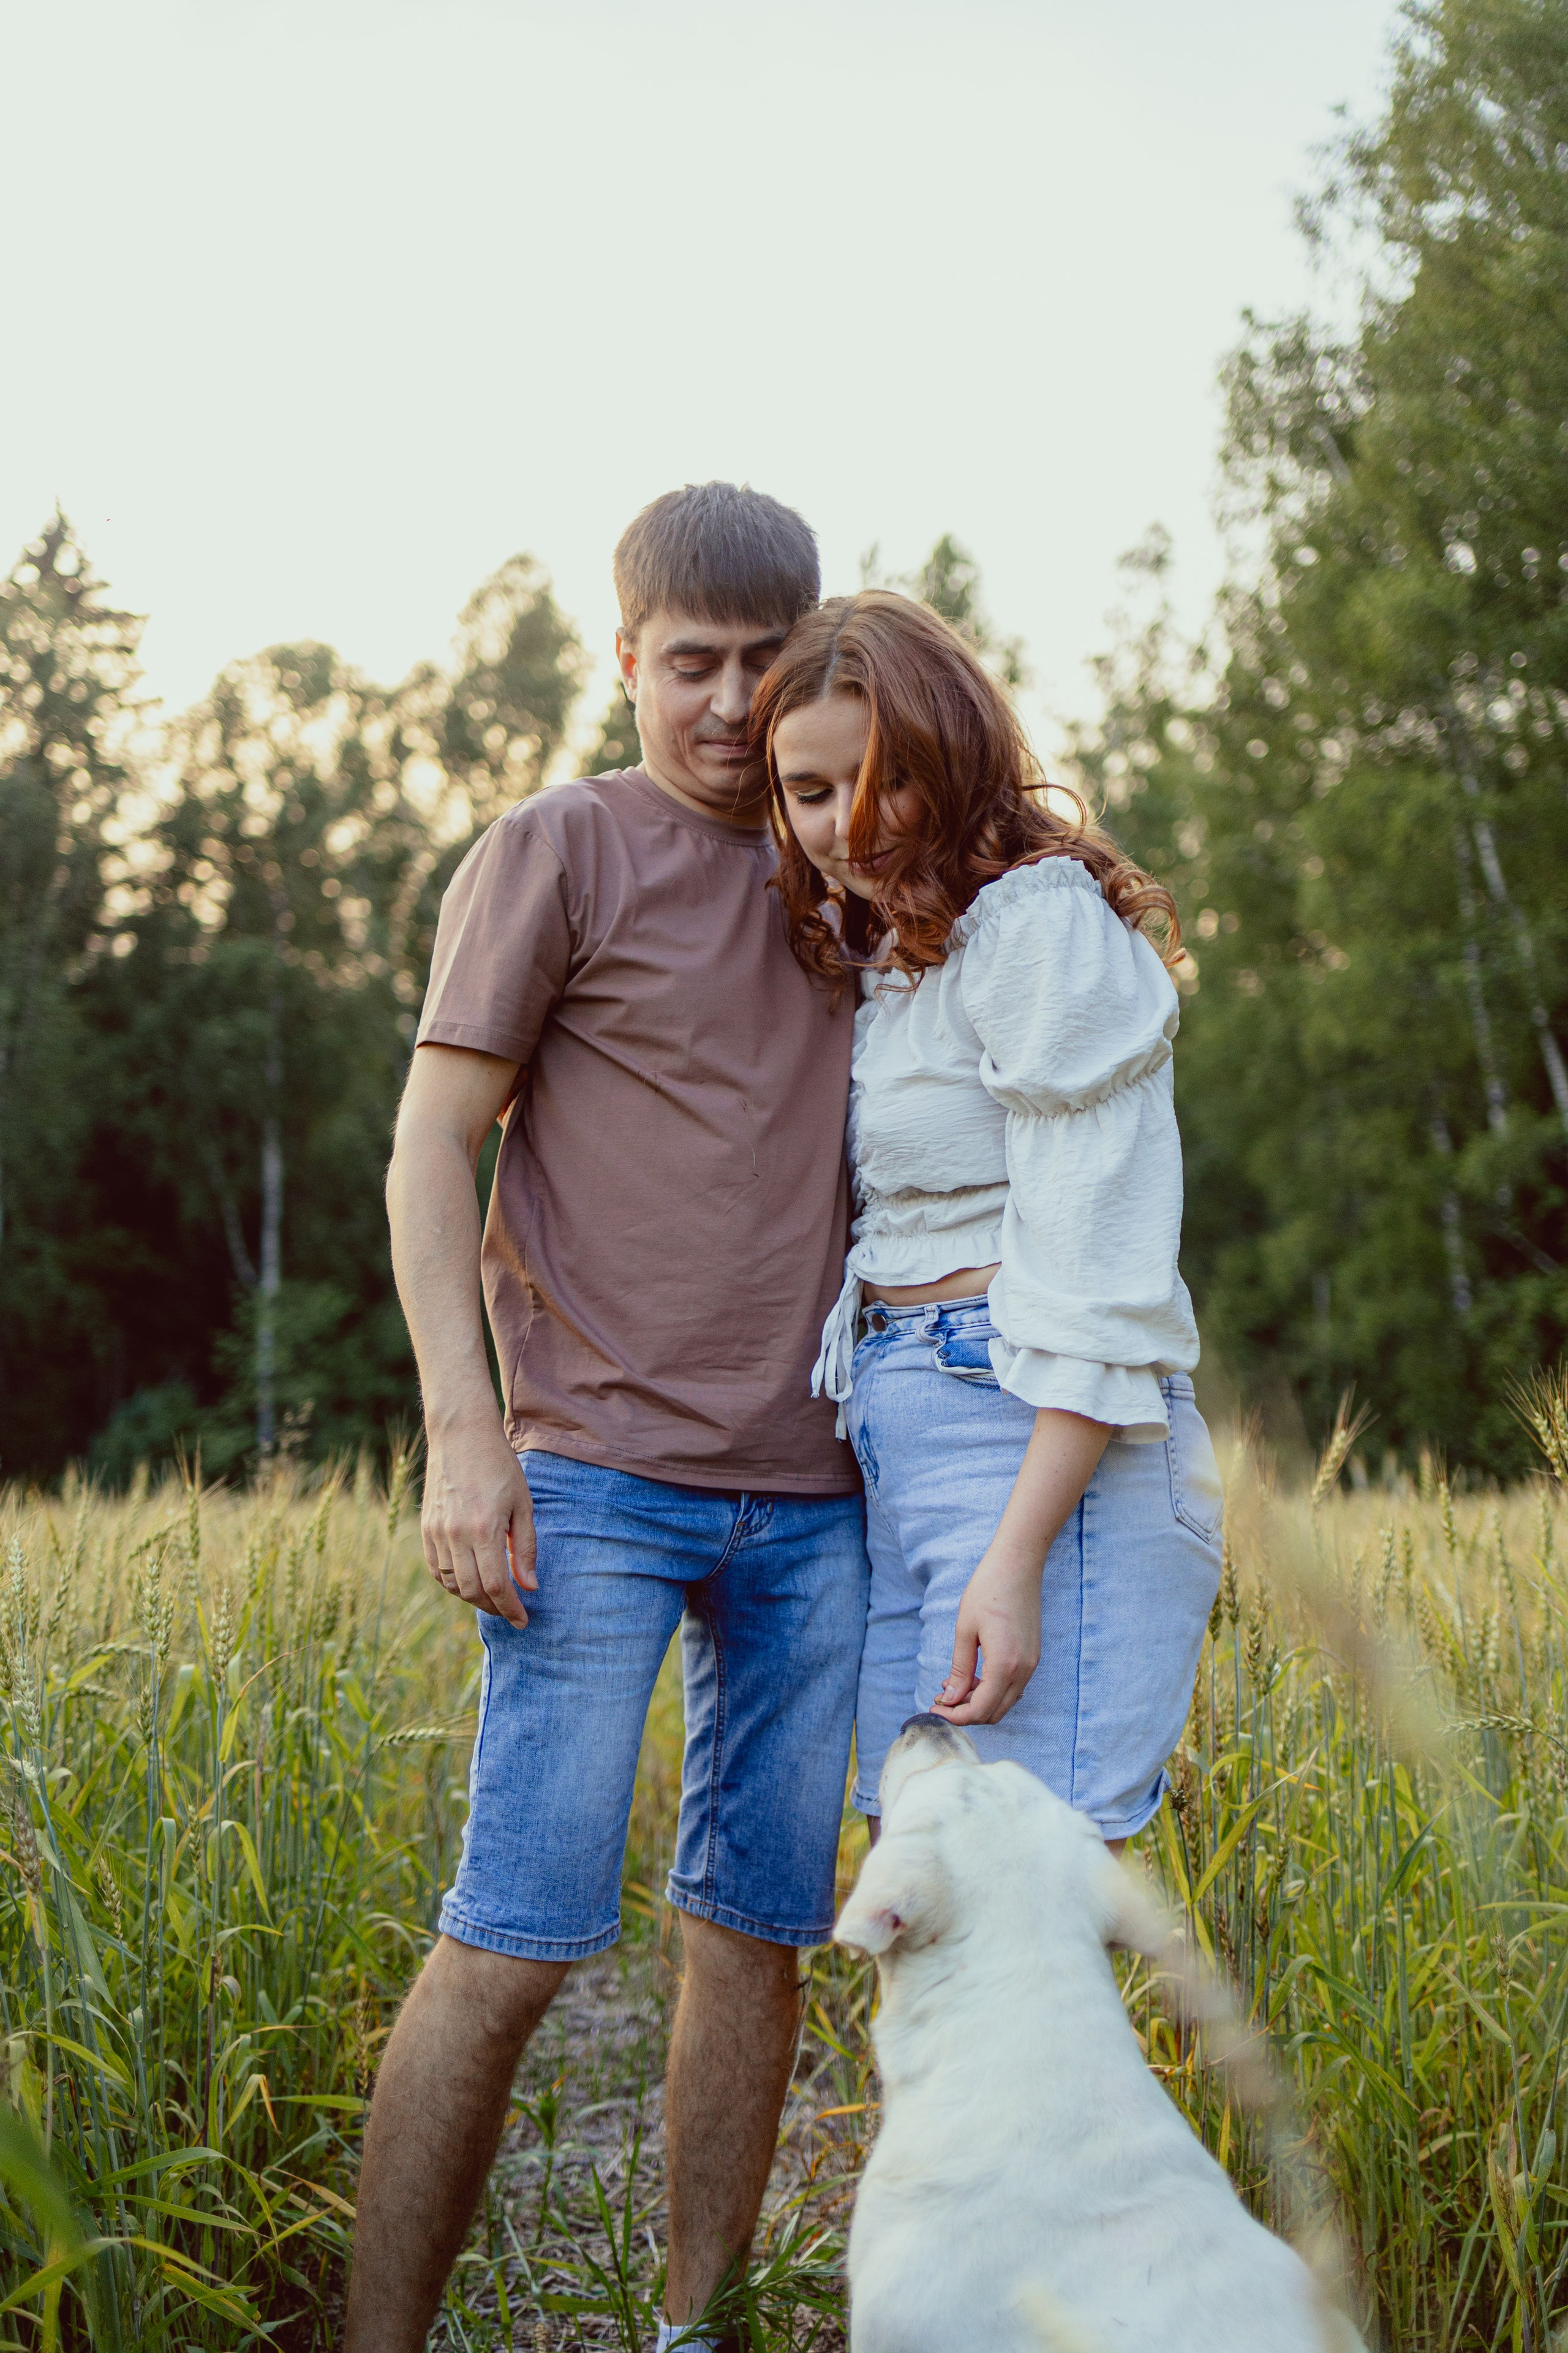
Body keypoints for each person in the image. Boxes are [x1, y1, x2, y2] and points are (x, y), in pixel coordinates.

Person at [345, 485, 867, 2353]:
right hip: (593, 1481)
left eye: (762, 666)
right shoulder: (558, 848)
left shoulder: (851, 857)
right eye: (690, 665)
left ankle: (690, 2332)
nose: (728, 706)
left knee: (754, 1937)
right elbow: (429, 1146)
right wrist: (462, 1436)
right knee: (511, 1940)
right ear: (626, 656)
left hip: (822, 1496)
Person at [756, 591, 1224, 1850]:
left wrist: (1015, 1556)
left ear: (954, 756)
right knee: (924, 1887)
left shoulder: (1039, 923)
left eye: (885, 779)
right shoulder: (897, 951)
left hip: (1034, 1446)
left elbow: (1098, 1269)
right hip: (906, 1444)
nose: (844, 824)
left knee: (1002, 1891)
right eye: (808, 792)